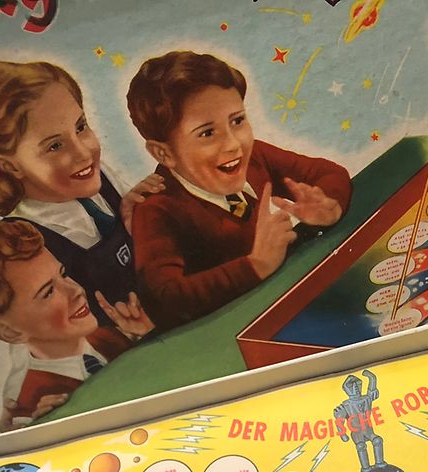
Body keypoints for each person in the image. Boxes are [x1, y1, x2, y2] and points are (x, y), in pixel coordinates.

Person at [125, 50, 353, 330]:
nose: (233, 144)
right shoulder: (155, 209)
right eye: (207, 133)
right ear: (164, 153)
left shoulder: (255, 157)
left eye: (237, 121)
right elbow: (165, 299)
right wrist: (255, 265)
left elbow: (329, 173)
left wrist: (329, 204)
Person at [0, 60, 161, 328]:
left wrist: (145, 219)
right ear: (9, 166)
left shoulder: (101, 178)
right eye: (54, 146)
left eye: (81, 127)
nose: (83, 153)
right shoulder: (24, 242)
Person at [0, 220, 152, 431]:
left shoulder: (104, 337)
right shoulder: (30, 404)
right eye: (48, 292)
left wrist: (148, 336)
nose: (75, 290)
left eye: (63, 274)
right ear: (11, 332)